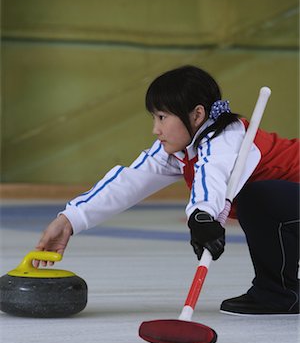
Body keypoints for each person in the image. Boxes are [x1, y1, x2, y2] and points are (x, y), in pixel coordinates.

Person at [35, 65, 300, 316]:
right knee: (258, 200)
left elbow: (212, 174)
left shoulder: (227, 136)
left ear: (197, 114)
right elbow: (129, 180)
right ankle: (278, 290)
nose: (155, 129)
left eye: (162, 117)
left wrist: (201, 215)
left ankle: (278, 292)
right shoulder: (180, 148)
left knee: (258, 199)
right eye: (154, 117)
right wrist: (69, 219)